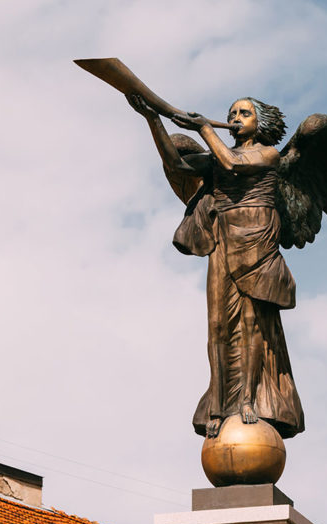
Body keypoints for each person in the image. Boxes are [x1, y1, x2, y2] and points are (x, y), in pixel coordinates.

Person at [127, 94, 304, 439]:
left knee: (253, 324)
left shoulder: (268, 154)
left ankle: (250, 400)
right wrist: (153, 120)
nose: (236, 117)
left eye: (244, 113)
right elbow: (177, 165)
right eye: (232, 113)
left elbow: (233, 164)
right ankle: (220, 403)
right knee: (217, 325)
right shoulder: (218, 155)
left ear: (260, 122)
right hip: (223, 237)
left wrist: (205, 128)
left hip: (257, 238)